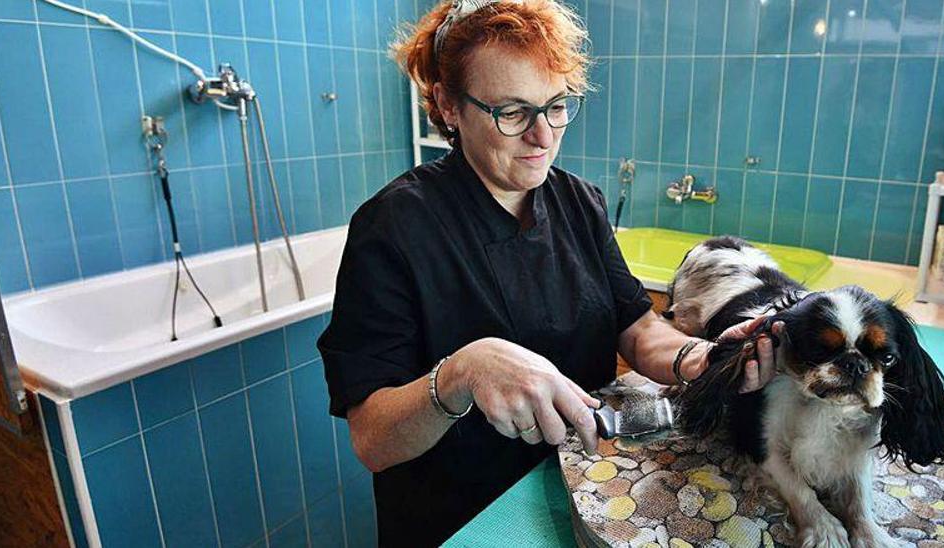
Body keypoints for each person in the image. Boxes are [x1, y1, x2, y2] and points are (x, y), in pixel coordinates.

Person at [317, 1, 779, 545]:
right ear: (447, 106)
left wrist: (700, 358)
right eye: (512, 113)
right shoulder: (393, 228)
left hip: (580, 481)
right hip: (464, 517)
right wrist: (462, 372)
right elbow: (372, 439)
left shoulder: (579, 202)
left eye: (556, 106)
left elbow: (636, 326)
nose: (543, 137)